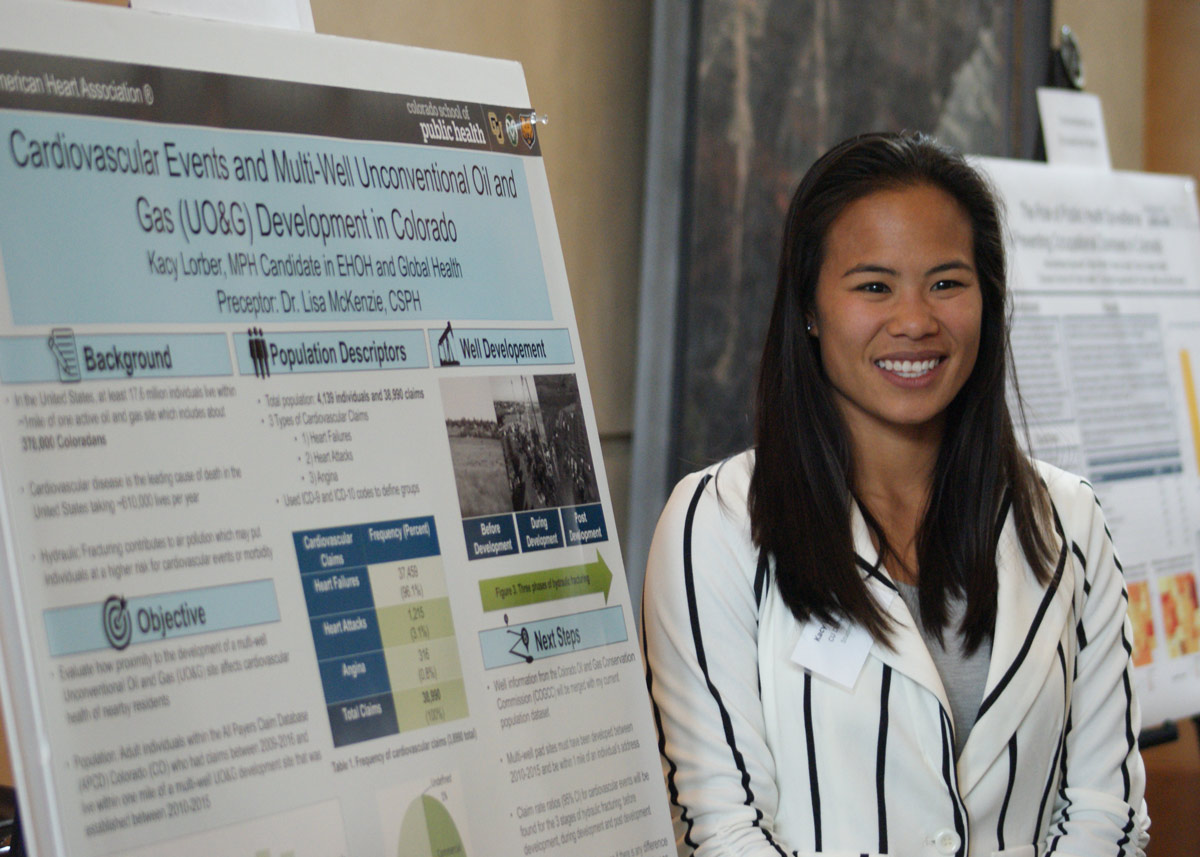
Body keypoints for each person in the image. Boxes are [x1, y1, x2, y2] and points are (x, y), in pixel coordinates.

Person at [641, 132, 1149, 857]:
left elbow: (1105, 808)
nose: (915, 320)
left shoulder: (1067, 519)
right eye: (874, 285)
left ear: (987, 297)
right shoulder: (717, 522)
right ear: (809, 308)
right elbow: (724, 825)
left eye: (946, 282)